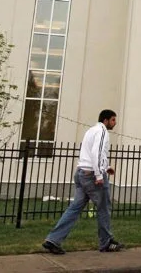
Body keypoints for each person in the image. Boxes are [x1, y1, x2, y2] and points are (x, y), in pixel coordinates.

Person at [42, 109, 125, 254]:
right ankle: (106, 242)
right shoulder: (102, 131)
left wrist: (106, 167)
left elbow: (91, 154)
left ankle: (53, 240)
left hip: (81, 172)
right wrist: (99, 175)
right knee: (104, 208)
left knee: (75, 208)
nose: (115, 123)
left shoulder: (91, 131)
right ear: (105, 120)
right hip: (92, 176)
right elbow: (96, 153)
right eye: (113, 120)